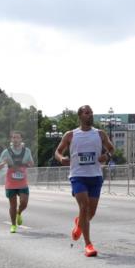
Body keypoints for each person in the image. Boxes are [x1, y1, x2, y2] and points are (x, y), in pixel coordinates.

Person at [55, 105, 114, 257]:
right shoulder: (71, 135)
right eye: (87, 113)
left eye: (91, 113)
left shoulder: (100, 134)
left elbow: (111, 149)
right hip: (78, 175)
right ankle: (88, 244)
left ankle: (79, 224)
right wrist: (61, 158)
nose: (90, 115)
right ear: (80, 116)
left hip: (95, 176)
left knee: (91, 213)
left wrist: (106, 156)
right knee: (84, 206)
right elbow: (58, 151)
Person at [0, 132, 35, 233]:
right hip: (11, 182)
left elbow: (32, 164)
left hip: (22, 182)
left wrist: (28, 164)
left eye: (17, 137)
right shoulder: (6, 152)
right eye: (13, 137)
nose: (15, 139)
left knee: (24, 203)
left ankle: (19, 212)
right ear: (11, 140)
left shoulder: (27, 151)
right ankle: (13, 225)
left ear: (21, 139)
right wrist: (4, 163)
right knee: (12, 205)